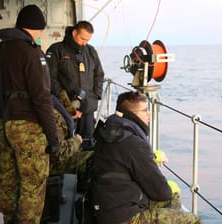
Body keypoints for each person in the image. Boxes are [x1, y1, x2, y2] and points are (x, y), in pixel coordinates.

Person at [0, 5, 60, 224]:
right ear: (36, 28)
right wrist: (53, 137)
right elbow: (42, 98)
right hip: (28, 128)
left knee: (8, 181)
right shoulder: (32, 53)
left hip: (5, 125)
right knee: (33, 186)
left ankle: (4, 221)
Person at [89, 91, 203, 224]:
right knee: (192, 219)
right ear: (132, 115)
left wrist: (151, 157)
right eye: (144, 110)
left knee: (170, 204)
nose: (149, 114)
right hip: (125, 218)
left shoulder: (108, 131)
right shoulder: (135, 144)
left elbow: (122, 160)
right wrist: (171, 187)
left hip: (104, 208)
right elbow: (162, 192)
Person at [46, 20, 105, 149]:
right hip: (64, 109)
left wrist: (95, 96)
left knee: (87, 145)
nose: (84, 43)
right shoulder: (56, 50)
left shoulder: (90, 51)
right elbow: (50, 79)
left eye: (87, 40)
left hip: (87, 109)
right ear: (74, 33)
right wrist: (67, 104)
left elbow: (99, 75)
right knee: (66, 145)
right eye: (82, 38)